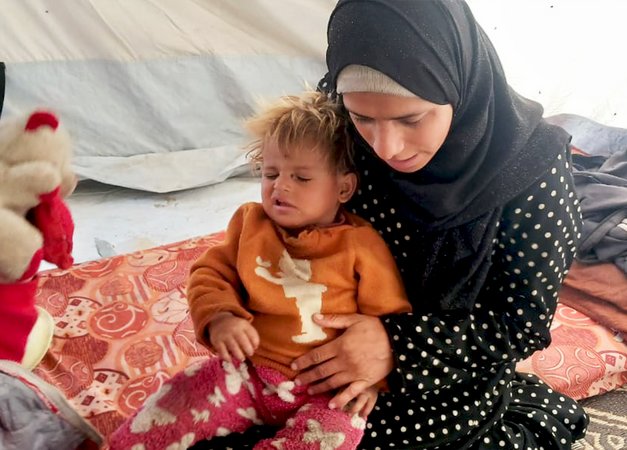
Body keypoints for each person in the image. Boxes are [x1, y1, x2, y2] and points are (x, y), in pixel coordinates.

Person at [192, 0, 589, 448]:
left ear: (457, 85)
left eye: (411, 118)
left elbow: (520, 324)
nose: (385, 147)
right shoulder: (336, 120)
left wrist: (395, 348)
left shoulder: (533, 171)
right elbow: (292, 214)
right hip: (306, 353)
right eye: (363, 118)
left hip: (440, 375)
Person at [109, 90, 412, 450]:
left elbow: (390, 317)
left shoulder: (362, 245)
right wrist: (220, 317)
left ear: (343, 187)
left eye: (301, 178)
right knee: (178, 398)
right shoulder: (250, 224)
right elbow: (210, 274)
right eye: (271, 173)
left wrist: (372, 381)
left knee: (336, 436)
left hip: (327, 391)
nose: (280, 186)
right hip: (248, 374)